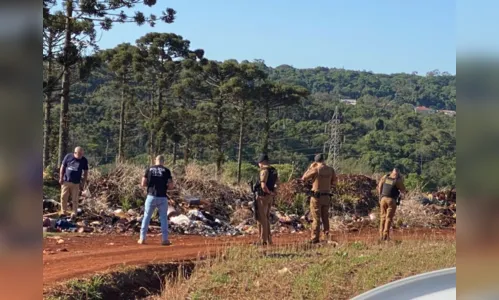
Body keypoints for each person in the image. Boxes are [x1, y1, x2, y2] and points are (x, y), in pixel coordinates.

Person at [301, 153, 337, 244]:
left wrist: (310, 168)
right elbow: (335, 182)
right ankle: (327, 236)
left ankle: (314, 238)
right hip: (327, 196)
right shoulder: (330, 170)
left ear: (316, 162)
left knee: (316, 218)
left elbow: (303, 178)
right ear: (324, 160)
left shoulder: (315, 169)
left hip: (317, 197)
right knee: (325, 217)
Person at [138, 155, 173, 246]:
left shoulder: (149, 169)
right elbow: (171, 186)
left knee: (146, 217)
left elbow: (143, 183)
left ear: (155, 160)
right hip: (162, 197)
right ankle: (165, 239)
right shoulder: (166, 171)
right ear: (163, 161)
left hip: (151, 196)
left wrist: (149, 186)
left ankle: (142, 238)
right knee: (163, 218)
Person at [377, 168, 407, 241]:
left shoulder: (385, 177)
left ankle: (381, 235)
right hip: (391, 200)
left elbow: (379, 187)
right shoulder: (397, 181)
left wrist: (380, 197)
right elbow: (403, 191)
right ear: (397, 174)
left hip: (383, 199)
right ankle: (386, 236)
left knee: (382, 217)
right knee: (388, 218)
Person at [255, 154, 278, 246]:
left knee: (262, 218)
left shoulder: (264, 171)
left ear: (261, 162)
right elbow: (277, 184)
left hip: (262, 197)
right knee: (267, 218)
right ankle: (269, 239)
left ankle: (263, 240)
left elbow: (263, 186)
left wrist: (267, 192)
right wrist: (273, 193)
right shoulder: (274, 170)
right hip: (270, 197)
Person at [59, 146, 89, 214]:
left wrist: (83, 182)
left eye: (82, 154)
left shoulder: (84, 160)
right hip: (66, 181)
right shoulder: (68, 156)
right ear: (75, 153)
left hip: (76, 183)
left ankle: (74, 213)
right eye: (79, 154)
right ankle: (63, 212)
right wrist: (61, 177)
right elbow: (62, 167)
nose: (81, 155)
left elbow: (86, 171)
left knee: (75, 199)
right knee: (63, 197)